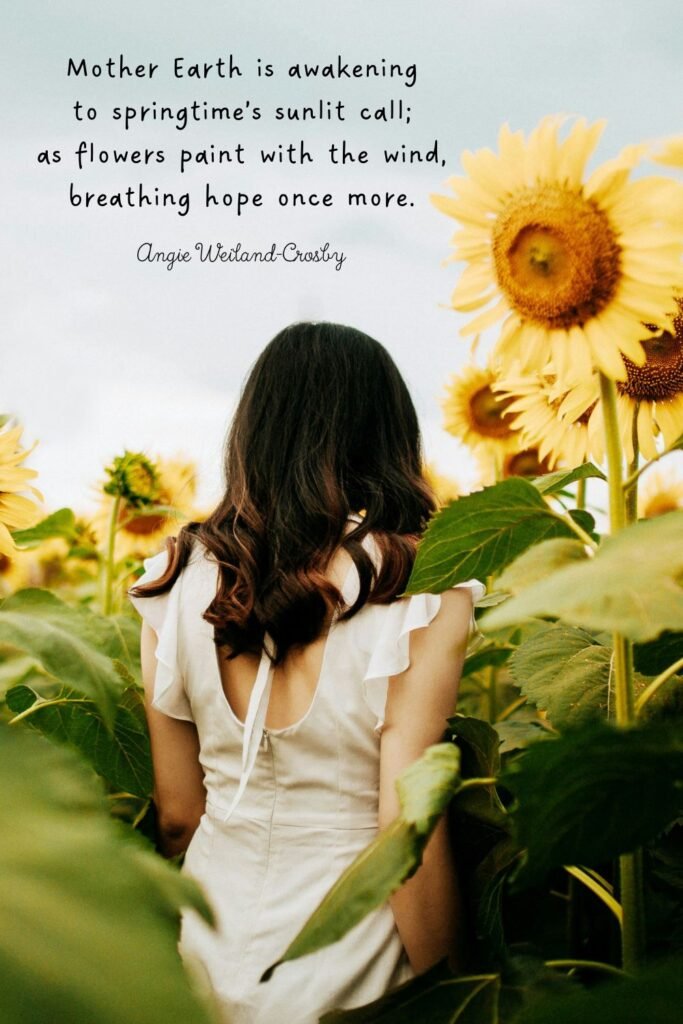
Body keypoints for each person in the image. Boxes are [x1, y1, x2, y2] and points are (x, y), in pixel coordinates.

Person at [127, 321, 485, 1024]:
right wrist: (456, 993)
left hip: (208, 956)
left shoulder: (172, 581)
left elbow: (176, 816)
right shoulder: (420, 584)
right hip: (353, 966)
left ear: (252, 431)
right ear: (387, 432)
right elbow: (402, 829)